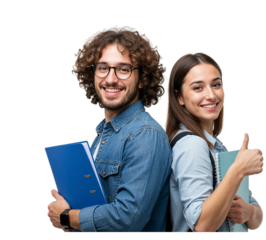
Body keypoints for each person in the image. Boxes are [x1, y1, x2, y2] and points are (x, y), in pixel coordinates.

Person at [46, 24, 172, 233]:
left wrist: (67, 217)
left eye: (124, 69)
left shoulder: (145, 134)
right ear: (92, 74)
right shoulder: (103, 133)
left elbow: (127, 219)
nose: (111, 79)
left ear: (142, 79)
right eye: (103, 68)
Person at [164, 52, 266, 233]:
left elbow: (258, 217)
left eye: (216, 84)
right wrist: (239, 169)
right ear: (179, 97)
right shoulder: (191, 145)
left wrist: (248, 212)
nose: (211, 95)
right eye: (198, 88)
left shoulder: (218, 145)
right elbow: (203, 226)